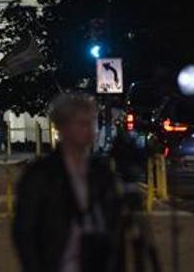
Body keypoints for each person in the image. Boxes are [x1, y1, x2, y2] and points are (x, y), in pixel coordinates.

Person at [12, 93, 120, 272]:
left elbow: (113, 226)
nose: (90, 131)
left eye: (91, 124)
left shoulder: (101, 172)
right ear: (63, 127)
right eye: (82, 124)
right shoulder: (41, 174)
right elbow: (25, 230)